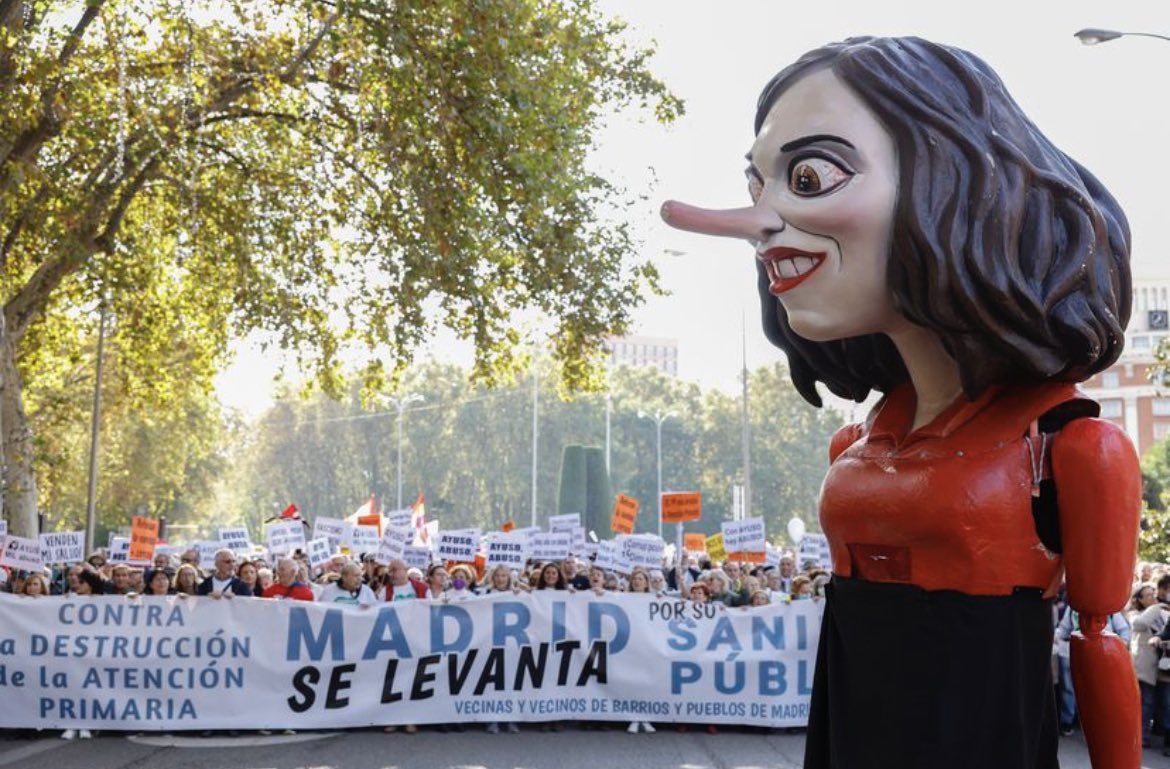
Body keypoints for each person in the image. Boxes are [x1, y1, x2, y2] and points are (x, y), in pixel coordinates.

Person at [661, 35, 1139, 768]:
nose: (757, 221)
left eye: (810, 176)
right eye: (759, 188)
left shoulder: (1071, 443)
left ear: (952, 181)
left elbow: (1098, 635)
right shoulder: (853, 444)